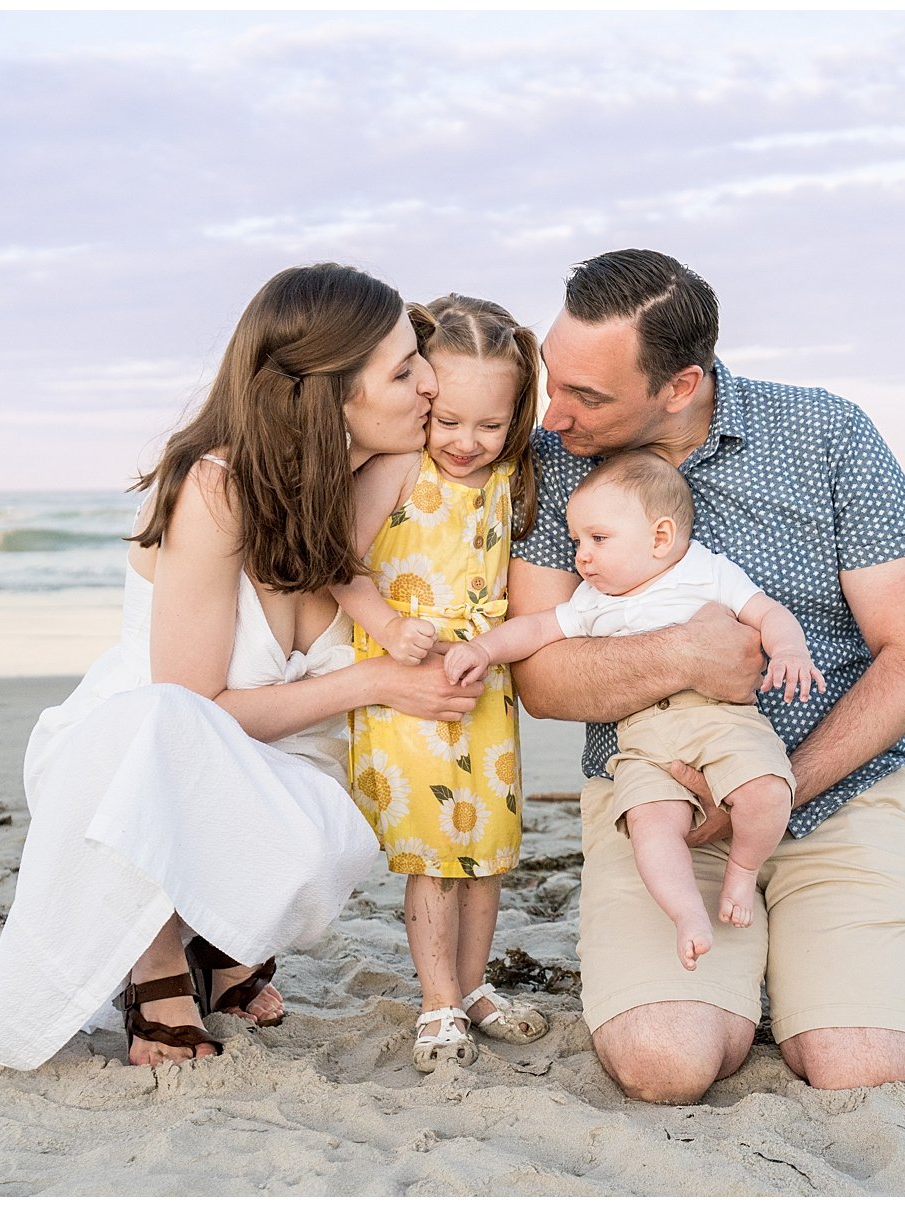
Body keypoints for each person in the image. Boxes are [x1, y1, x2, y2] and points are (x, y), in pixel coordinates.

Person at [0, 263, 484, 1071]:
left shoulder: (381, 472)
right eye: (404, 368)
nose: (429, 383)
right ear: (328, 398)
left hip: (274, 761)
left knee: (319, 846)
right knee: (168, 728)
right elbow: (192, 709)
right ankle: (155, 959)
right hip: (136, 762)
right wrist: (380, 680)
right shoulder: (215, 491)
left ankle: (218, 934)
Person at [507, 248, 905, 1102]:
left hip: (837, 789)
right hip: (661, 810)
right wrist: (682, 655)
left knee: (861, 1066)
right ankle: (758, 963)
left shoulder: (826, 434)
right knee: (666, 1062)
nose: (553, 414)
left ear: (681, 385)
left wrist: (774, 789)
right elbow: (539, 678)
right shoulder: (555, 460)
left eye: (588, 396)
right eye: (552, 378)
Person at [443, 449, 824, 973]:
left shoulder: (706, 572)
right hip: (643, 738)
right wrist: (484, 650)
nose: (582, 556)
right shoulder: (592, 601)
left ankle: (742, 867)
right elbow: (535, 630)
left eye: (598, 539)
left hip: (724, 720)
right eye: (578, 541)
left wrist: (788, 651)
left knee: (767, 789)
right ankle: (686, 911)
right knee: (651, 824)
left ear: (660, 537)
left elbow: (768, 613)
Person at [334, 294, 551, 1072]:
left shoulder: (511, 473)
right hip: (406, 678)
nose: (466, 441)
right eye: (449, 420)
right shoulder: (398, 466)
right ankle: (436, 999)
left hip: (482, 680)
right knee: (435, 853)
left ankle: (471, 983)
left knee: (487, 849)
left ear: (516, 415)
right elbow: (340, 565)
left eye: (489, 425)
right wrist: (391, 630)